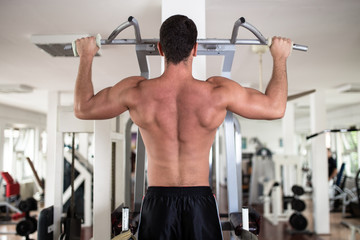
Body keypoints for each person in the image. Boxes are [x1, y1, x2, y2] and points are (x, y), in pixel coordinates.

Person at [74, 15, 292, 240]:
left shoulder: (136, 91)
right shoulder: (217, 93)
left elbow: (83, 108)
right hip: (200, 202)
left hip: (158, 202)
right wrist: (280, 57)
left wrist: (86, 56)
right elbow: (276, 108)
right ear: (195, 49)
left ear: (160, 49)